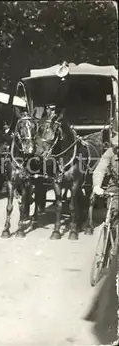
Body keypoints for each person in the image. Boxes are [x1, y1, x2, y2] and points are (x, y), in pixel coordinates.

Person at [86, 118, 118, 344]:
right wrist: (97, 184)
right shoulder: (110, 153)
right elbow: (100, 168)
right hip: (115, 188)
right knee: (113, 213)